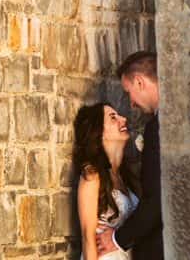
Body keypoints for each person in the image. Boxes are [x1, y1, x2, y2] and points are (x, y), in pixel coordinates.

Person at [96, 52, 163, 260]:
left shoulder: (158, 128)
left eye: (129, 92)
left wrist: (116, 239)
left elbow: (156, 199)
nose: (131, 104)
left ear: (140, 82)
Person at [73, 103, 139, 259]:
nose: (123, 119)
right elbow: (88, 238)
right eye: (113, 117)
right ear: (99, 132)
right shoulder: (92, 176)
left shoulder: (127, 176)